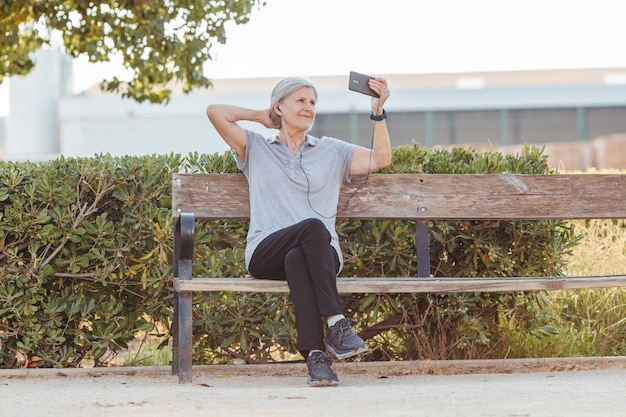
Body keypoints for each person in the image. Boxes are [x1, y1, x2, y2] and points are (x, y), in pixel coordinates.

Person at [206, 75, 391, 387]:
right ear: (280, 106)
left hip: (320, 256)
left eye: (313, 102)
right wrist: (261, 117)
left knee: (298, 257)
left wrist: (378, 111)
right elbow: (214, 111)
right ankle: (337, 322)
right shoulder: (256, 148)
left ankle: (317, 358)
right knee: (311, 229)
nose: (309, 108)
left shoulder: (331, 151)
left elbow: (381, 158)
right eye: (301, 101)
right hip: (266, 251)